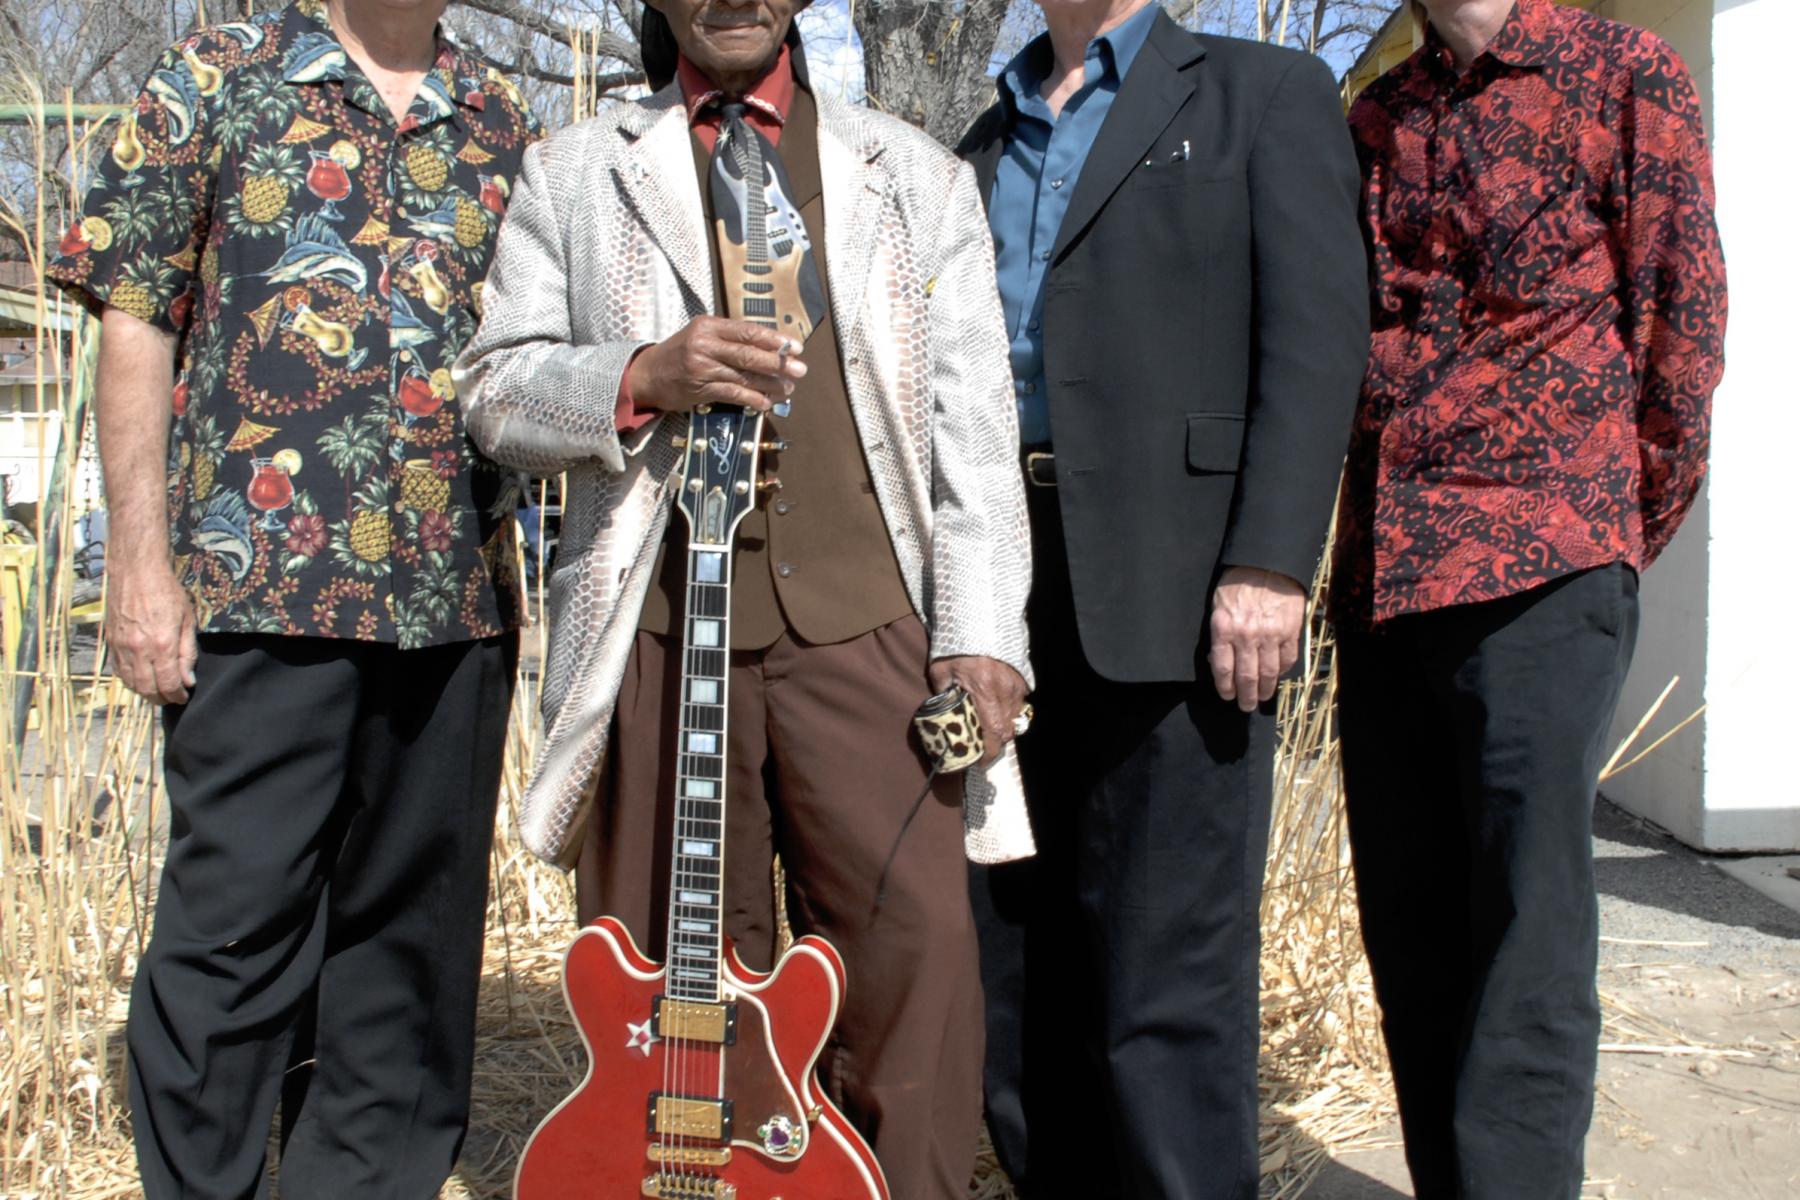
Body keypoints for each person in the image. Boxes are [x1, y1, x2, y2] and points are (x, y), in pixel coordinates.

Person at [452, 1, 1033, 1195]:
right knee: (677, 991)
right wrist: (636, 376)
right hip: (656, 637)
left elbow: (972, 432)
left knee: (915, 967)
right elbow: (494, 395)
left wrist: (983, 636)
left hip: (872, 634)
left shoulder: (911, 177)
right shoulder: (575, 174)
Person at [46, 0, 538, 1193]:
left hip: (453, 601)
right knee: (233, 935)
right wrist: (142, 568)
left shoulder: (501, 119)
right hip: (256, 590)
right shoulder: (218, 74)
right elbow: (135, 318)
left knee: (410, 955)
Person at [956, 1, 1369, 1195]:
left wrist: (1272, 561)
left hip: (1186, 588)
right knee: (1017, 965)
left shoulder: (1264, 93)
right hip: (1000, 584)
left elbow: (1315, 339)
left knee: (1167, 976)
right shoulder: (984, 142)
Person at [1333, 1, 1727, 1196]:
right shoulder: (1378, 115)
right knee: (1410, 924)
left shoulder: (1623, 73)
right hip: (1388, 579)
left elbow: (1687, 323)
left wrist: (1604, 532)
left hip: (1545, 571)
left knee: (1526, 930)